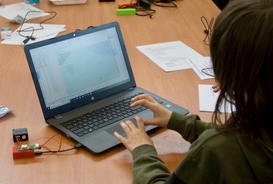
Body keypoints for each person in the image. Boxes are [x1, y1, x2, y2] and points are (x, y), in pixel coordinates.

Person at [114, 0, 273, 183]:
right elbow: (248, 139)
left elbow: (230, 143)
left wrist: (143, 150)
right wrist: (179, 122)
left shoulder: (216, 149)